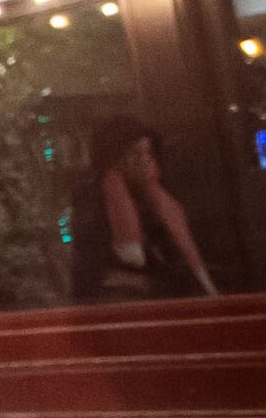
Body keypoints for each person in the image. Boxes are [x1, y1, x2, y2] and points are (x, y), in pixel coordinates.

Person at [83, 118, 218, 298]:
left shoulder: (164, 199)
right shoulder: (96, 204)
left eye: (148, 153)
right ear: (114, 158)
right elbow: (99, 269)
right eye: (134, 153)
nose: (144, 160)